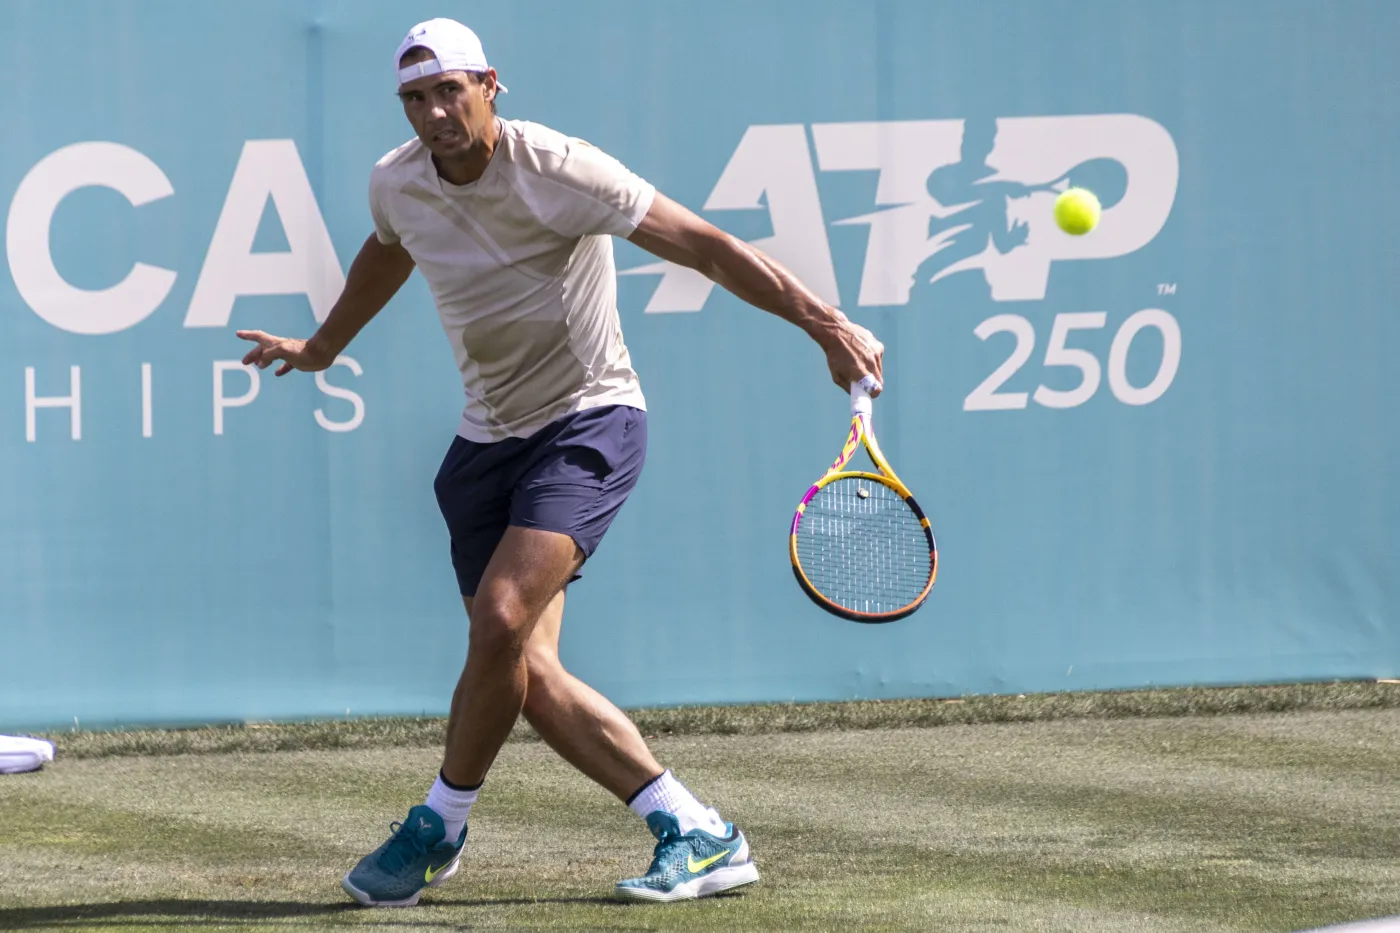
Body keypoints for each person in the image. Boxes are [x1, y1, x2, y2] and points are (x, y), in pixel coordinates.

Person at [237, 17, 884, 908]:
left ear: (490, 85)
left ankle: (438, 823)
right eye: (415, 99)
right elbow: (386, 256)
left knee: (499, 615)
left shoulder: (562, 167)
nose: (432, 113)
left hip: (588, 420)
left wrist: (826, 324)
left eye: (448, 92)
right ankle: (695, 828)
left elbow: (707, 246)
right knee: (523, 671)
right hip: (483, 441)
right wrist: (319, 347)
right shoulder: (397, 183)